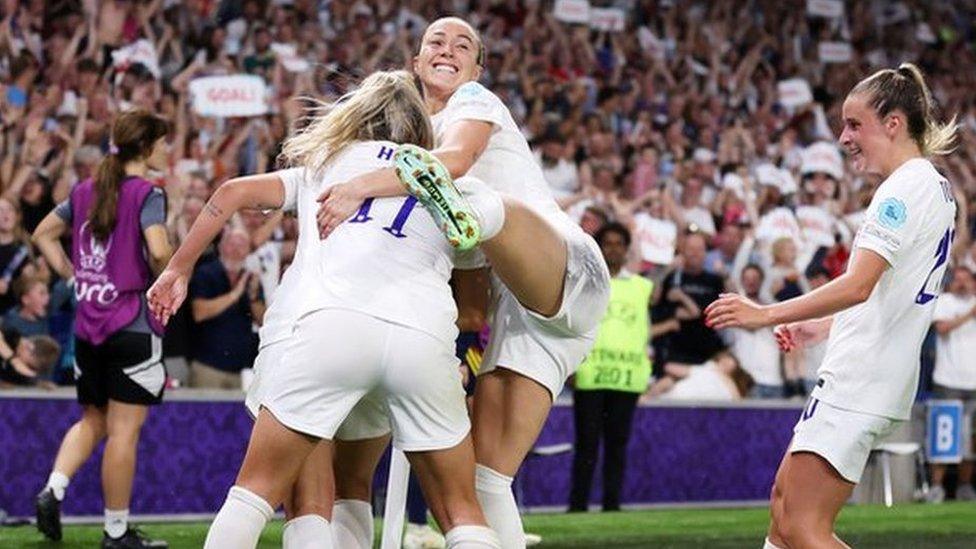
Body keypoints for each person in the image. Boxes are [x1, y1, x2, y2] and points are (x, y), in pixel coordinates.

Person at [148, 70, 500, 549]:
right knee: (460, 511)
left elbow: (230, 192)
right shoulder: (444, 178)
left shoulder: (325, 163)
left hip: (327, 326)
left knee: (259, 493)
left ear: (355, 114)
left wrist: (178, 269)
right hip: (423, 339)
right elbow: (476, 284)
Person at [315, 18, 611, 547]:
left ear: (477, 67)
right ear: (415, 60)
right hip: (527, 322)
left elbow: (454, 161)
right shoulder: (411, 148)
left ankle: (479, 213)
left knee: (471, 194)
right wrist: (446, 357)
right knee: (485, 481)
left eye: (463, 45)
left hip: (566, 269)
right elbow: (472, 310)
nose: (448, 50)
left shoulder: (473, 101)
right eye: (436, 41)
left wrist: (358, 186)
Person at [704, 63, 958, 549]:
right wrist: (821, 325)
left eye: (853, 124)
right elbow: (889, 291)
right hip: (869, 371)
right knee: (783, 512)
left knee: (802, 526)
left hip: (862, 376)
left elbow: (859, 284)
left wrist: (767, 313)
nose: (844, 138)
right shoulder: (934, 187)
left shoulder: (903, 189)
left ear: (893, 124)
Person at [31, 110, 172, 548]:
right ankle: (115, 532)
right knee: (124, 431)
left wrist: (74, 277)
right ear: (146, 147)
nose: (166, 149)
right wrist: (171, 275)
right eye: (162, 142)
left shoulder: (83, 190)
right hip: (130, 325)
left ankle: (54, 487)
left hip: (87, 328)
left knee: (93, 420)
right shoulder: (148, 194)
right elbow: (159, 249)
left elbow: (42, 233)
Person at [568, 222, 677, 513]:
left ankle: (611, 506)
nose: (614, 248)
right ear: (600, 247)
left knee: (617, 446)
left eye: (619, 243)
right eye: (608, 243)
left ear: (627, 250)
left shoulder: (642, 287)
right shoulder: (585, 283)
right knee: (587, 446)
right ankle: (577, 506)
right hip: (591, 375)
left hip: (626, 377)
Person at [927, 265, 976, 502]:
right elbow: (942, 329)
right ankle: (937, 486)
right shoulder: (944, 301)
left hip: (973, 381)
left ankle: (965, 486)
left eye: (967, 279)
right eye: (958, 279)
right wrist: (968, 314)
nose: (962, 284)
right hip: (947, 379)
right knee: (943, 435)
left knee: (970, 437)